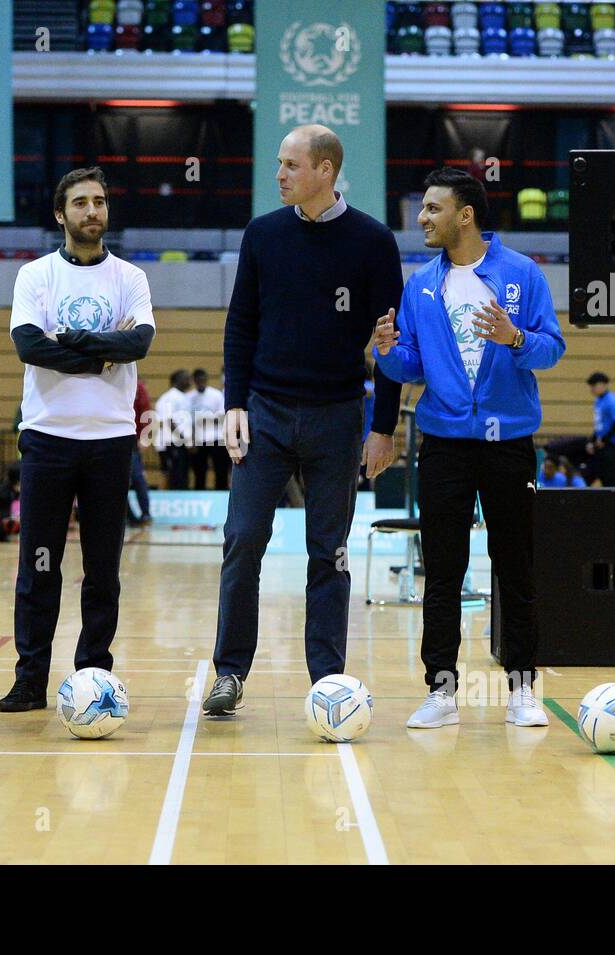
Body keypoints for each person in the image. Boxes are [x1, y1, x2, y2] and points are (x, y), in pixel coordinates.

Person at [202, 124, 402, 716]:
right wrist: (234, 403)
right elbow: (241, 325)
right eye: (280, 164)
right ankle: (229, 673)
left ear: (326, 170)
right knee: (242, 539)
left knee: (329, 551)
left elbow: (391, 342)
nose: (279, 175)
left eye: (290, 165)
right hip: (263, 412)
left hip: (338, 418)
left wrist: (382, 426)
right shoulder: (262, 234)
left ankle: (327, 679)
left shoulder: (372, 241)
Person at [373, 166, 566, 730]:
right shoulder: (420, 284)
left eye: (433, 208)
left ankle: (523, 689)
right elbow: (411, 365)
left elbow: (551, 350)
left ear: (466, 215)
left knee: (515, 566)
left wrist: (515, 338)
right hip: (444, 446)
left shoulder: (521, 274)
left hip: (508, 445)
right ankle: (441, 690)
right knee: (443, 571)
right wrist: (388, 351)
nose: (422, 219)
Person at [0, 166, 155, 712]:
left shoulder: (130, 278)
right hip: (47, 439)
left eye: (101, 201)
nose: (94, 212)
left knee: (102, 569)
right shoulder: (35, 276)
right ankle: (30, 678)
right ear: (60, 214)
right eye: (82, 203)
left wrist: (76, 340)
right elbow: (29, 347)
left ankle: (94, 676)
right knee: (39, 564)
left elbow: (138, 343)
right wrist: (99, 353)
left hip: (111, 441)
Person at [188, 367, 228, 490]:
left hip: (217, 438)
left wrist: (203, 420)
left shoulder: (216, 395)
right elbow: (187, 421)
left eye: (203, 380)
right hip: (199, 439)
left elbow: (222, 417)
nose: (201, 383)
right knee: (199, 471)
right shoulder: (189, 397)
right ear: (194, 381)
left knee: (221, 470)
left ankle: (221, 495)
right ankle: (200, 494)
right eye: (199, 381)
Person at [153, 369, 192, 489]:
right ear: (176, 381)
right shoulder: (170, 397)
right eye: (186, 378)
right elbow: (169, 421)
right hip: (172, 443)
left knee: (182, 475)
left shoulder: (183, 396)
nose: (189, 381)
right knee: (175, 475)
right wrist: (185, 441)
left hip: (179, 442)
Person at [129, 377, 153, 524]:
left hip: (131, 440)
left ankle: (146, 513)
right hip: (112, 438)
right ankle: (129, 517)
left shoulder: (137, 387)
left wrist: (144, 437)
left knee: (137, 478)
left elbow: (146, 412)